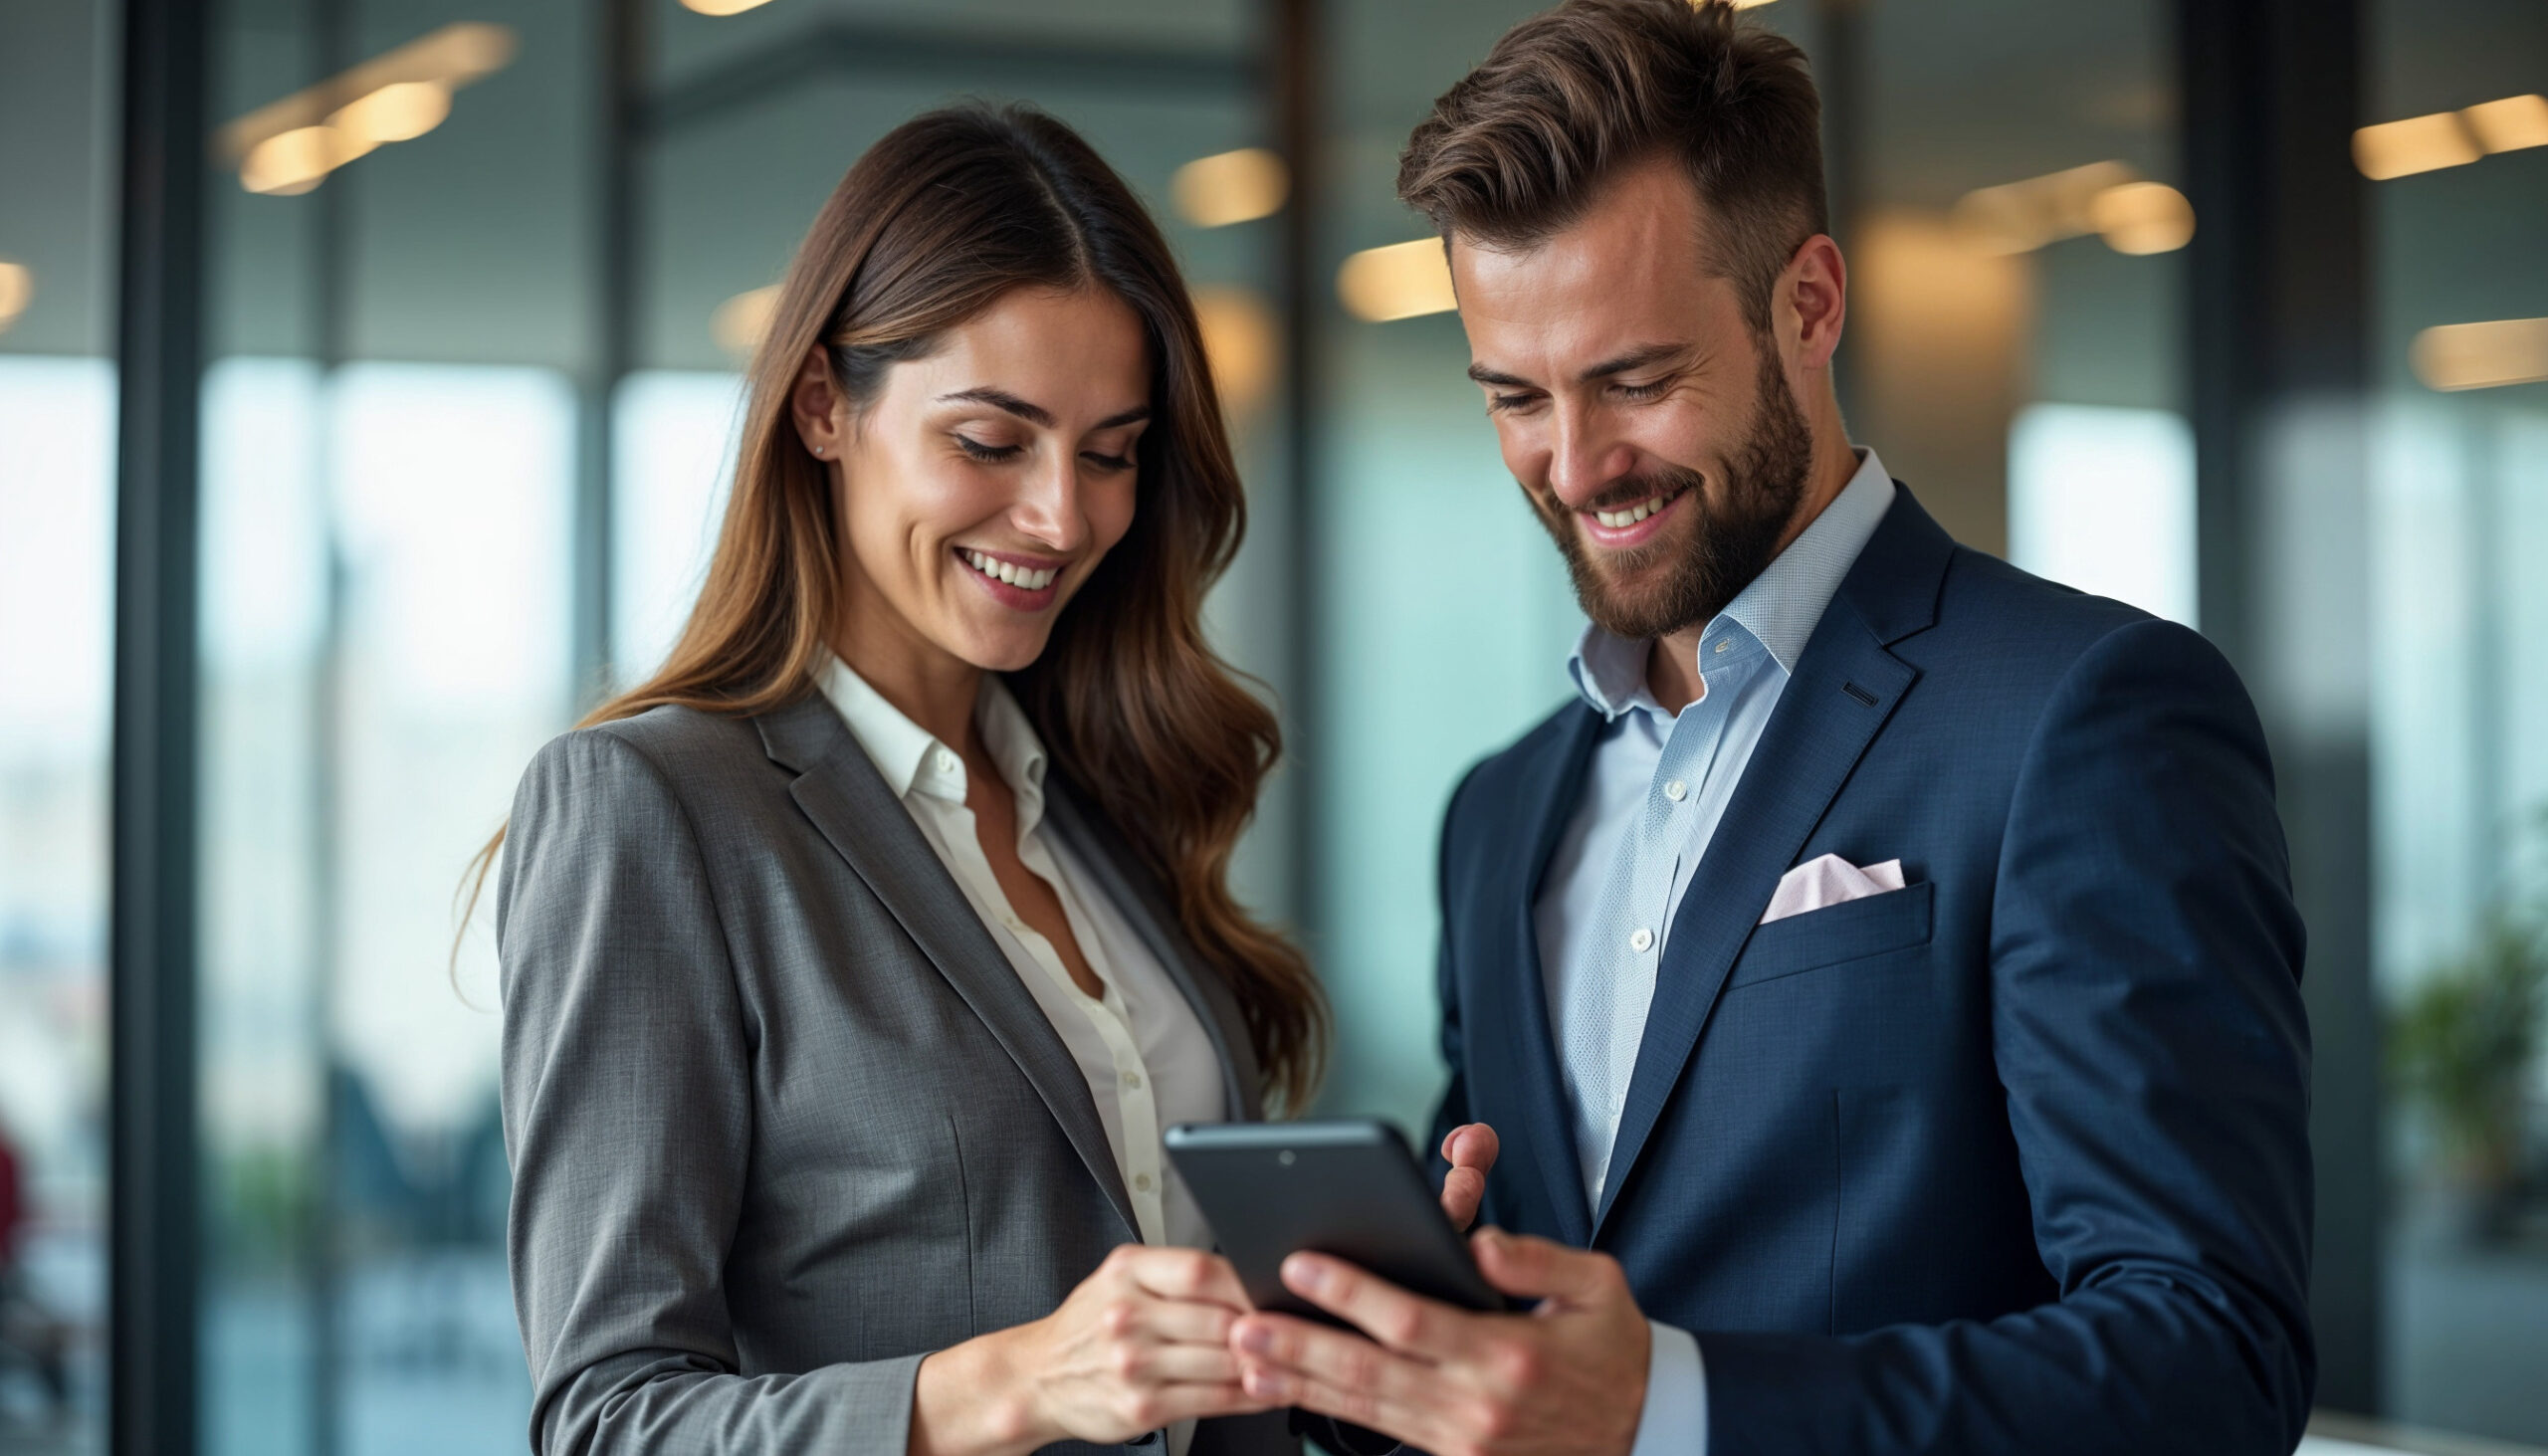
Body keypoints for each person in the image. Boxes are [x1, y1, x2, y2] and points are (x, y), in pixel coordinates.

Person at [1224, 3, 2315, 1453]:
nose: (1575, 463)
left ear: (1808, 305)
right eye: (1514, 397)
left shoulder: (2086, 714)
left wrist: (1674, 1407)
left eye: (1636, 379)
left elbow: (2209, 1355)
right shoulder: (1499, 816)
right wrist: (1386, 1357)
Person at [490, 104, 1325, 1456]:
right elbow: (609, 1418)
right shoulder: (652, 810)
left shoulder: (1102, 801)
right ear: (826, 405)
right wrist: (1008, 1388)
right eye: (992, 442)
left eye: (1110, 453)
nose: (1063, 515)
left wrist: (1360, 1304)